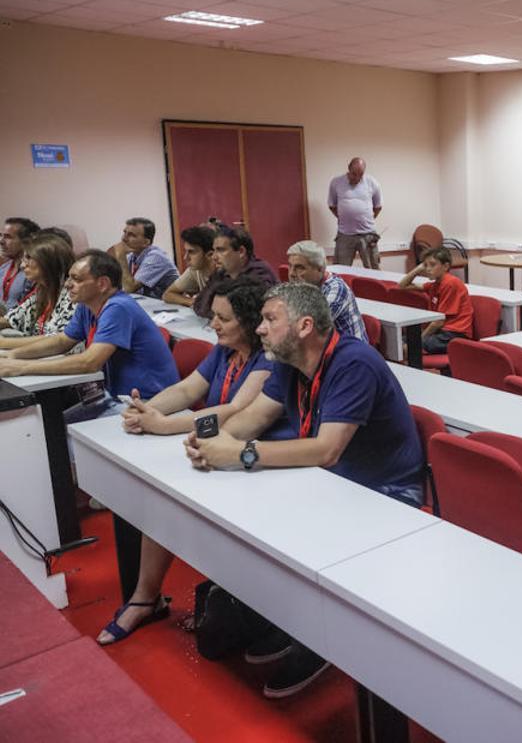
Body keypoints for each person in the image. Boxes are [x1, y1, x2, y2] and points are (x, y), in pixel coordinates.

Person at [185, 281, 425, 698]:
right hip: (333, 481)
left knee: (294, 524)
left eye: (270, 319)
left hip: (385, 493)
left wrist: (240, 454)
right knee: (261, 516)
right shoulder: (287, 361)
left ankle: (323, 639)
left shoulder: (354, 363)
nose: (259, 328)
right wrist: (213, 443)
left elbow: (326, 450)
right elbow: (254, 418)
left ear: (305, 326)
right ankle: (292, 620)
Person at [97, 278, 272, 645]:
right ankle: (145, 597)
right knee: (158, 493)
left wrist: (164, 425)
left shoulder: (266, 359)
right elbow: (187, 389)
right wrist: (146, 410)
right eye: (214, 316)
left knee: (169, 495)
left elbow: (234, 411)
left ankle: (149, 598)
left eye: (224, 318)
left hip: (249, 454)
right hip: (214, 443)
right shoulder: (224, 351)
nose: (214, 325)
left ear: (249, 320)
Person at [0, 249, 179, 412]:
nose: (68, 284)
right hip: (117, 395)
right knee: (55, 424)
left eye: (76, 279)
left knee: (56, 428)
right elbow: (62, 341)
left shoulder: (118, 308)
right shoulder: (87, 305)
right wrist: (12, 356)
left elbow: (89, 362)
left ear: (102, 284)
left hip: (148, 401)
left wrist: (21, 368)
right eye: (69, 278)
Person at [0, 233, 77, 349]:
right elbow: (11, 319)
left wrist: (3, 343)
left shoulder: (73, 296)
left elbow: (58, 339)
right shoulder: (41, 292)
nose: (22, 265)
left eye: (29, 258)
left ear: (49, 261)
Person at [395, 246, 473, 354]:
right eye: (426, 265)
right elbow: (402, 285)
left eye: (432, 265)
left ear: (445, 266)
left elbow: (438, 322)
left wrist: (420, 339)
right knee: (400, 340)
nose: (428, 269)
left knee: (409, 347)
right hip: (441, 332)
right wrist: (417, 269)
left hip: (455, 335)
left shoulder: (450, 283)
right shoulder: (434, 285)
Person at [285, 240, 366, 342]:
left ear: (320, 269)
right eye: (290, 266)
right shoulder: (303, 286)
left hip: (351, 349)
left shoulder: (336, 289)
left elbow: (310, 327)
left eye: (299, 268)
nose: (291, 273)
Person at [192, 227, 278, 318]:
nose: (214, 257)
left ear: (241, 252)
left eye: (221, 250)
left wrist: (218, 311)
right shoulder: (221, 273)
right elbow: (199, 305)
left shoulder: (259, 275)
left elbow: (244, 315)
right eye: (214, 251)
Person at [328, 157, 382, 269]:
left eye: (360, 174)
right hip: (345, 235)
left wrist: (366, 220)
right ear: (348, 169)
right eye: (354, 174)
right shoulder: (336, 182)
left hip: (368, 235)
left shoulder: (372, 183)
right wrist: (343, 217)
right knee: (340, 269)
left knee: (373, 270)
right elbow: (332, 205)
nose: (357, 178)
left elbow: (378, 207)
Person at [109, 217, 179, 299]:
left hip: (169, 304)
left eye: (131, 235)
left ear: (146, 242)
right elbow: (116, 285)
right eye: (125, 233)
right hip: (149, 302)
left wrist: (121, 257)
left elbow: (130, 288)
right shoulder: (131, 256)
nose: (124, 238)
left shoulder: (156, 257)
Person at [163, 225, 218, 308]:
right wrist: (193, 302)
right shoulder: (195, 269)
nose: (185, 258)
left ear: (210, 255)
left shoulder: (225, 272)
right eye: (186, 251)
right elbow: (167, 295)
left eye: (192, 252)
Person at [0, 216, 40, 313]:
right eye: (1, 236)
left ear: (26, 241)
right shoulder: (3, 268)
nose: (1, 241)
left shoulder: (34, 274)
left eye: (8, 237)